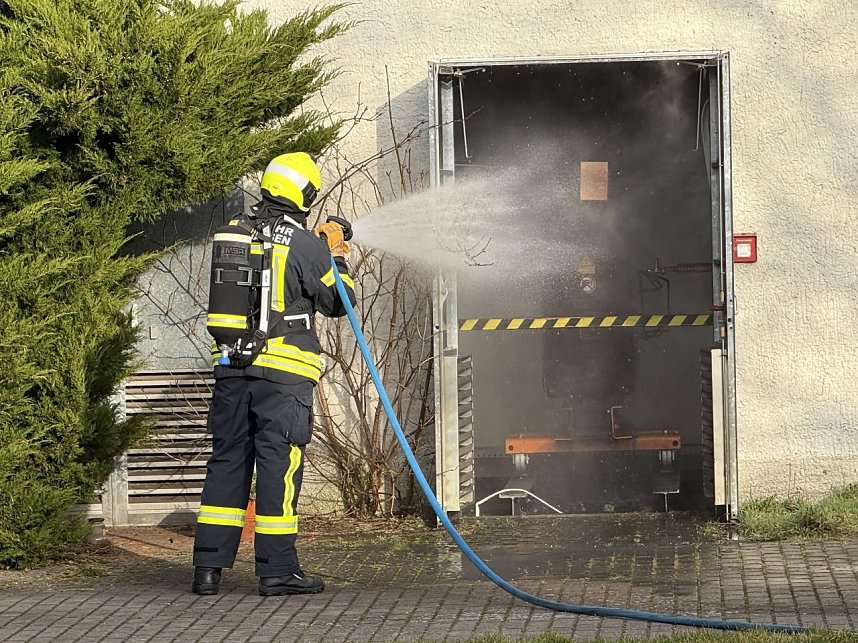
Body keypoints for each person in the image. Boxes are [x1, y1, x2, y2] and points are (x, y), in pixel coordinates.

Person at [192, 152, 356, 596]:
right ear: (303, 193)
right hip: (282, 381)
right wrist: (337, 253)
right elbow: (339, 303)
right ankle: (277, 570)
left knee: (227, 462)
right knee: (278, 468)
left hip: (231, 370)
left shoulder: (235, 233)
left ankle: (207, 570)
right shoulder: (304, 245)